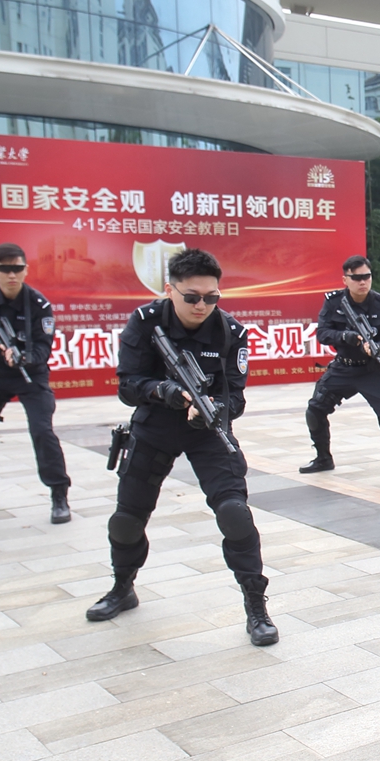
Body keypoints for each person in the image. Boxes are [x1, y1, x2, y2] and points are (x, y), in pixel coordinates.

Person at [87, 248, 277, 646]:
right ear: (169, 290)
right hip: (155, 425)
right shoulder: (144, 322)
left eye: (212, 297)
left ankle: (256, 606)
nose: (202, 305)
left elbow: (237, 397)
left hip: (207, 430)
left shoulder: (231, 332)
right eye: (192, 297)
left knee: (234, 513)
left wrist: (216, 408)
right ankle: (122, 586)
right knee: (126, 518)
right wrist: (166, 391)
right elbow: (126, 384)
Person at [0, 242, 71, 523]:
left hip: (31, 375)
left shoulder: (38, 304)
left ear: (26, 269)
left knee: (43, 433)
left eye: (17, 268)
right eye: (5, 269)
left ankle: (59, 495)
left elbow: (44, 349)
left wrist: (24, 357)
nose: (11, 275)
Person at [299, 255, 380, 481]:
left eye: (366, 276)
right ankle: (323, 457)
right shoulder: (334, 302)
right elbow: (322, 333)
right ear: (345, 279)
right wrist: (346, 337)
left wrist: (378, 349)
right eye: (356, 278)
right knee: (315, 409)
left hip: (373, 369)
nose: (362, 282)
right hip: (343, 367)